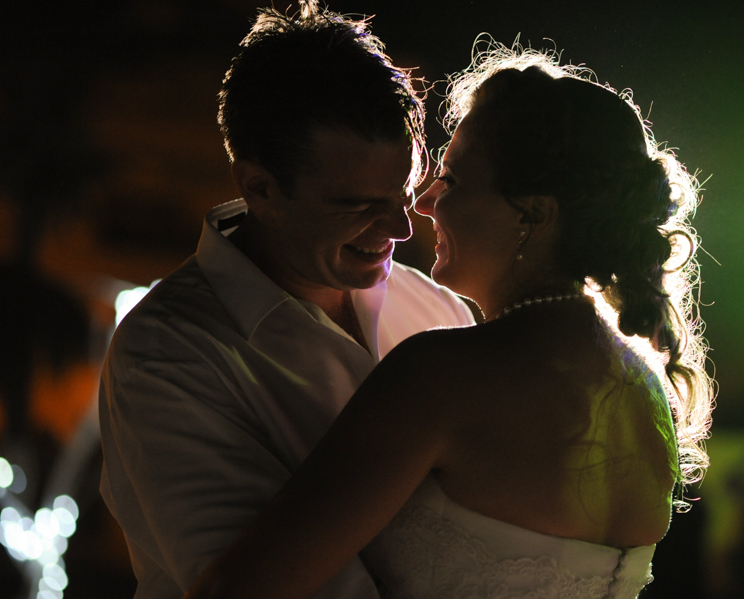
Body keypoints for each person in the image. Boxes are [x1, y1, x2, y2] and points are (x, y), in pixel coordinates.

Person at [184, 41, 715, 599]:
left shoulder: (442, 374)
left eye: (453, 180)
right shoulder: (646, 391)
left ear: (531, 217)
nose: (424, 202)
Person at [98, 5, 474, 599]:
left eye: (405, 192)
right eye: (358, 205)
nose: (401, 229)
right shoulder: (166, 355)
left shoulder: (438, 310)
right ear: (259, 187)